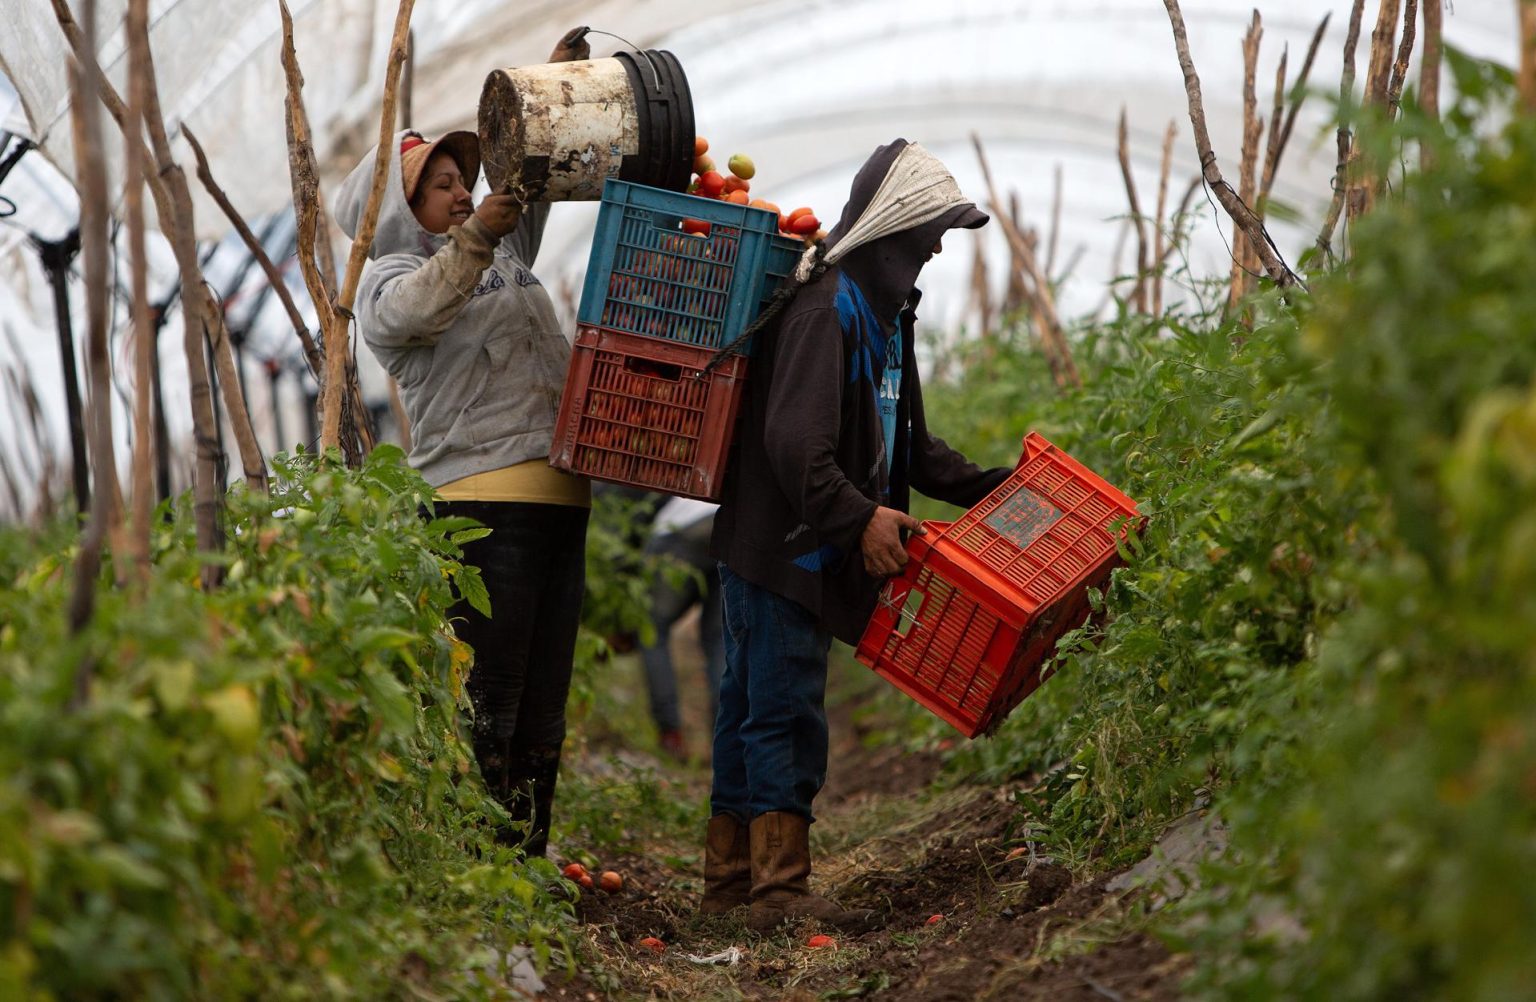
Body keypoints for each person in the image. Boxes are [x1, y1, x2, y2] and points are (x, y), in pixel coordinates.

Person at [704, 140, 1012, 931]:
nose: (941, 245)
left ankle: (733, 880)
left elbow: (910, 446)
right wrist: (858, 516)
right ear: (897, 228)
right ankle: (775, 891)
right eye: (933, 230)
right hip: (779, 545)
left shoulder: (885, 317)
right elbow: (793, 446)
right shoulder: (823, 310)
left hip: (803, 541)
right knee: (779, 707)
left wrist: (1003, 488)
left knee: (757, 702)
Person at [333, 28, 592, 858]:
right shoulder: (383, 285)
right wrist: (474, 234)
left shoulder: (503, 247)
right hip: (482, 504)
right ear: (394, 214)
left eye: (461, 179)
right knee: (496, 694)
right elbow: (420, 310)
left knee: (547, 698)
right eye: (436, 185)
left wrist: (554, 91)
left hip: (561, 494)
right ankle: (490, 870)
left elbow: (531, 182)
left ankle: (529, 861)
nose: (458, 191)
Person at [639, 497, 725, 760]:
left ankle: (670, 734)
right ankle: (725, 740)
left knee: (651, 631)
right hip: (723, 521)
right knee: (719, 640)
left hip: (680, 531)